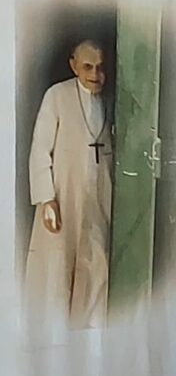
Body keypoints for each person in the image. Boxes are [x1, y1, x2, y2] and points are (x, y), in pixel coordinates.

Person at [24, 38, 113, 335]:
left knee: (95, 259)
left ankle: (88, 329)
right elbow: (40, 149)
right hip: (63, 193)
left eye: (100, 67)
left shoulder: (110, 99)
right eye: (88, 66)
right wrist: (46, 199)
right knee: (58, 263)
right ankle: (54, 332)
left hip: (98, 193)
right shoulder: (57, 96)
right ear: (73, 65)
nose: (95, 74)